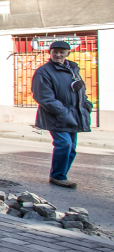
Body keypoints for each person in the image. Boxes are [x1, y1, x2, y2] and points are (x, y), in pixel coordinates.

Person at [32, 41, 93, 189]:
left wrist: (87, 104)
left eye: (62, 52)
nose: (58, 55)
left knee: (71, 147)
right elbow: (44, 97)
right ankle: (58, 176)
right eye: (55, 52)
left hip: (73, 114)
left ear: (67, 53)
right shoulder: (43, 72)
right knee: (64, 144)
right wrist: (63, 112)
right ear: (50, 53)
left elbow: (80, 90)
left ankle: (60, 175)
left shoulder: (72, 69)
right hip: (56, 115)